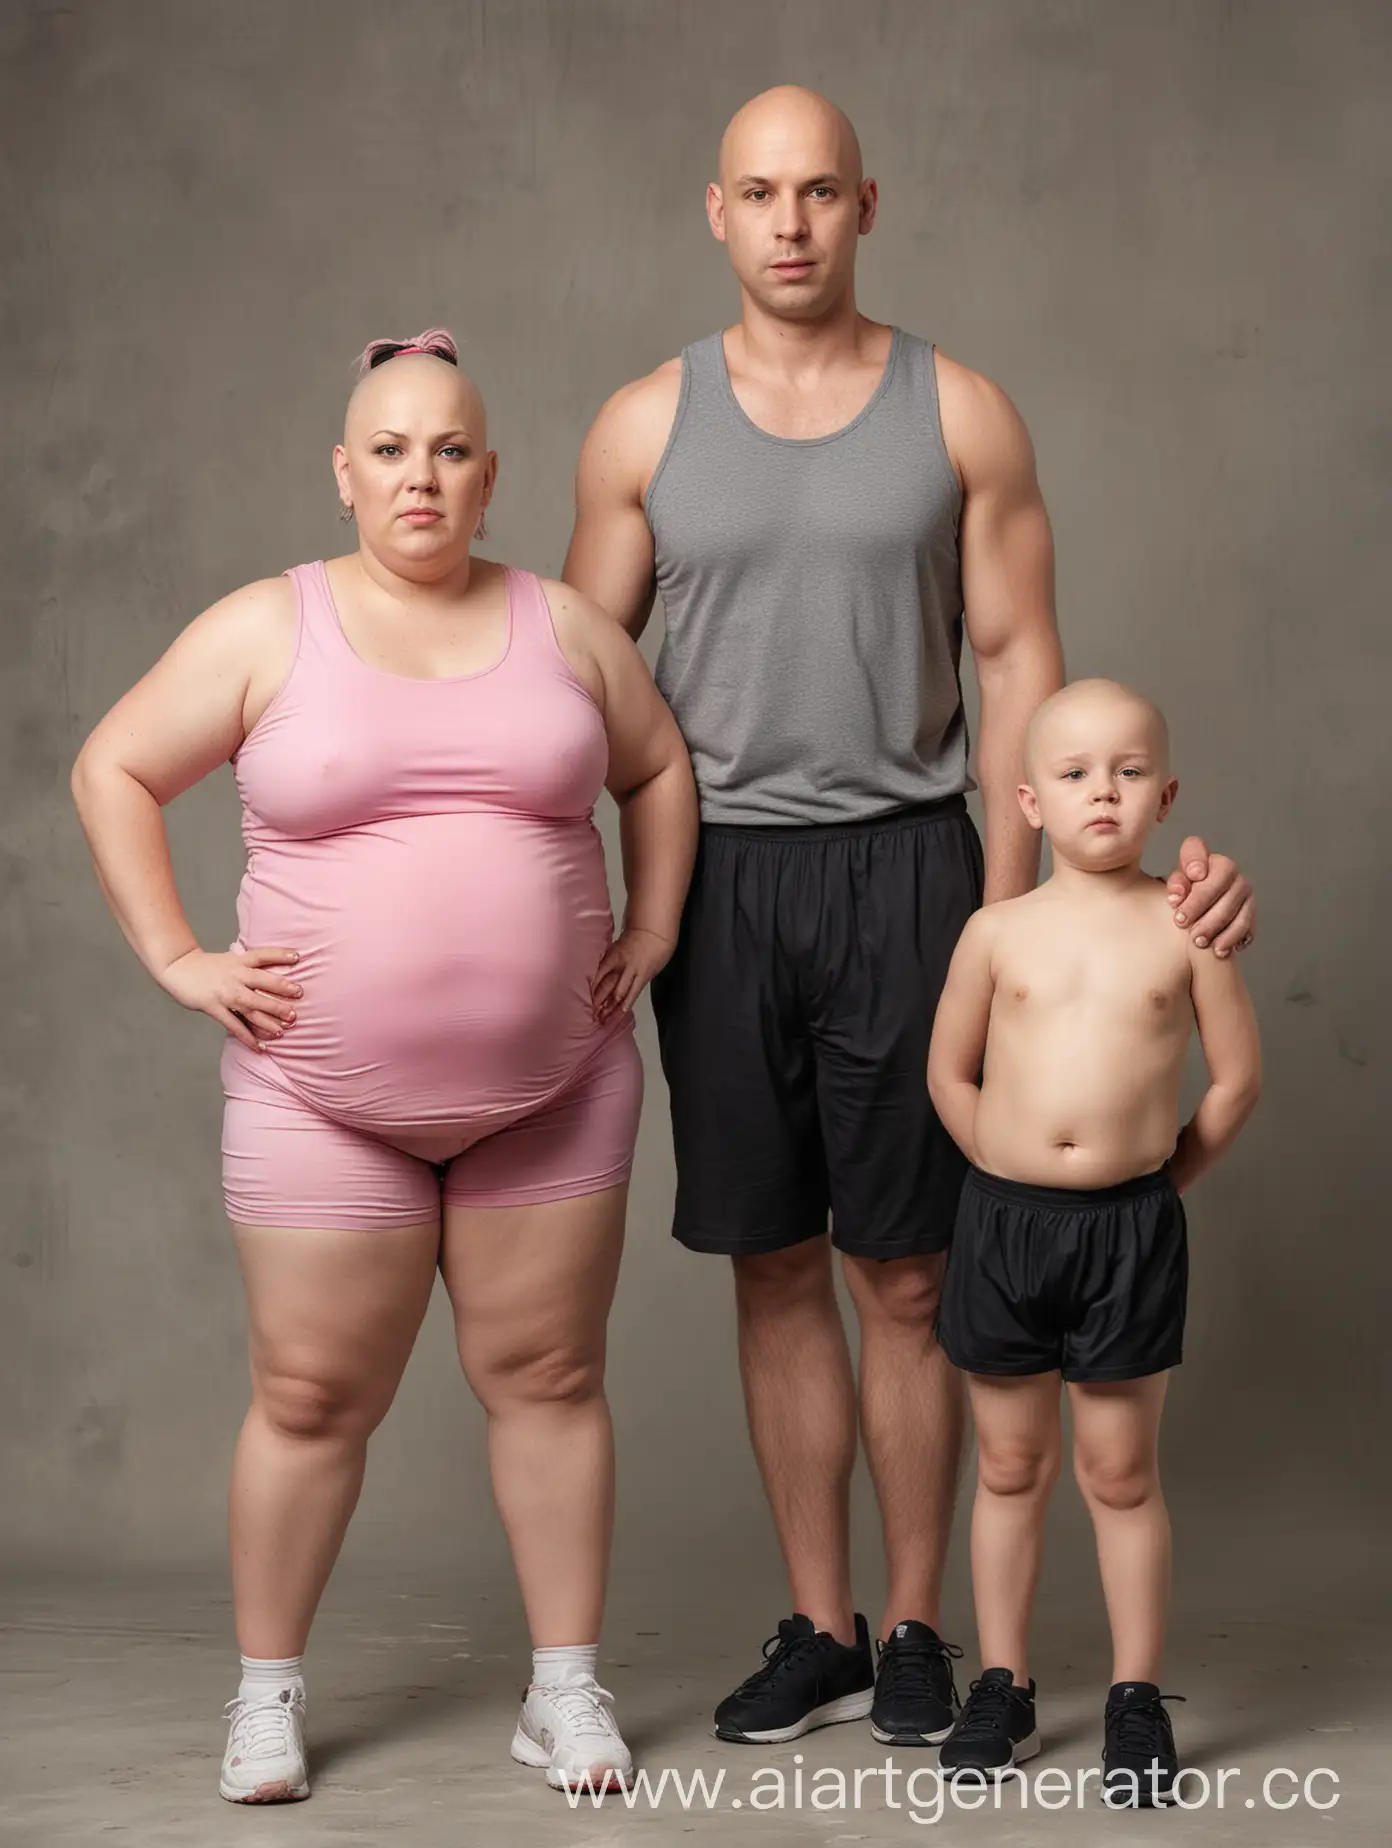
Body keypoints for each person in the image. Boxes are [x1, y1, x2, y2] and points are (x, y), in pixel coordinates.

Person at [562, 85, 1258, 1746]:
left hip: (917, 868)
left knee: (904, 1270)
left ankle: (927, 1629)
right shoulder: (639, 427)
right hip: (717, 871)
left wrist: (1025, 917)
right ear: (712, 211)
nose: (789, 220)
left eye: (819, 191)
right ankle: (822, 1619)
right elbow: (575, 685)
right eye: (758, 191)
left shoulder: (963, 414)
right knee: (774, 1260)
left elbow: (1024, 658)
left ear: (865, 205)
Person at [70, 329, 698, 1803]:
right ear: (345, 475)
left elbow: (658, 764)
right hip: (316, 1100)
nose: (424, 475)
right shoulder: (264, 627)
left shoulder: (564, 626)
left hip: (554, 1090)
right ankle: (268, 1699)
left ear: (493, 477)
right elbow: (112, 765)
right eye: (395, 450)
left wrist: (655, 920)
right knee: (305, 1394)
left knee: (550, 1375)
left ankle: (564, 1692)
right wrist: (175, 955)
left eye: (454, 448)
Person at [927, 678, 1261, 1803]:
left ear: (1164, 794)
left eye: (1126, 771)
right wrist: (998, 1162)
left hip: (1128, 1231)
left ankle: (1132, 1697)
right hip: (1005, 1226)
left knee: (1119, 1471)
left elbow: (1234, 1081)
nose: (1102, 792)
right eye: (1073, 774)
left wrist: (1161, 1182)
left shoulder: (1187, 927)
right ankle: (1005, 1684)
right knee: (1011, 1464)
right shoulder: (994, 930)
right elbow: (949, 1070)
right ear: (1028, 801)